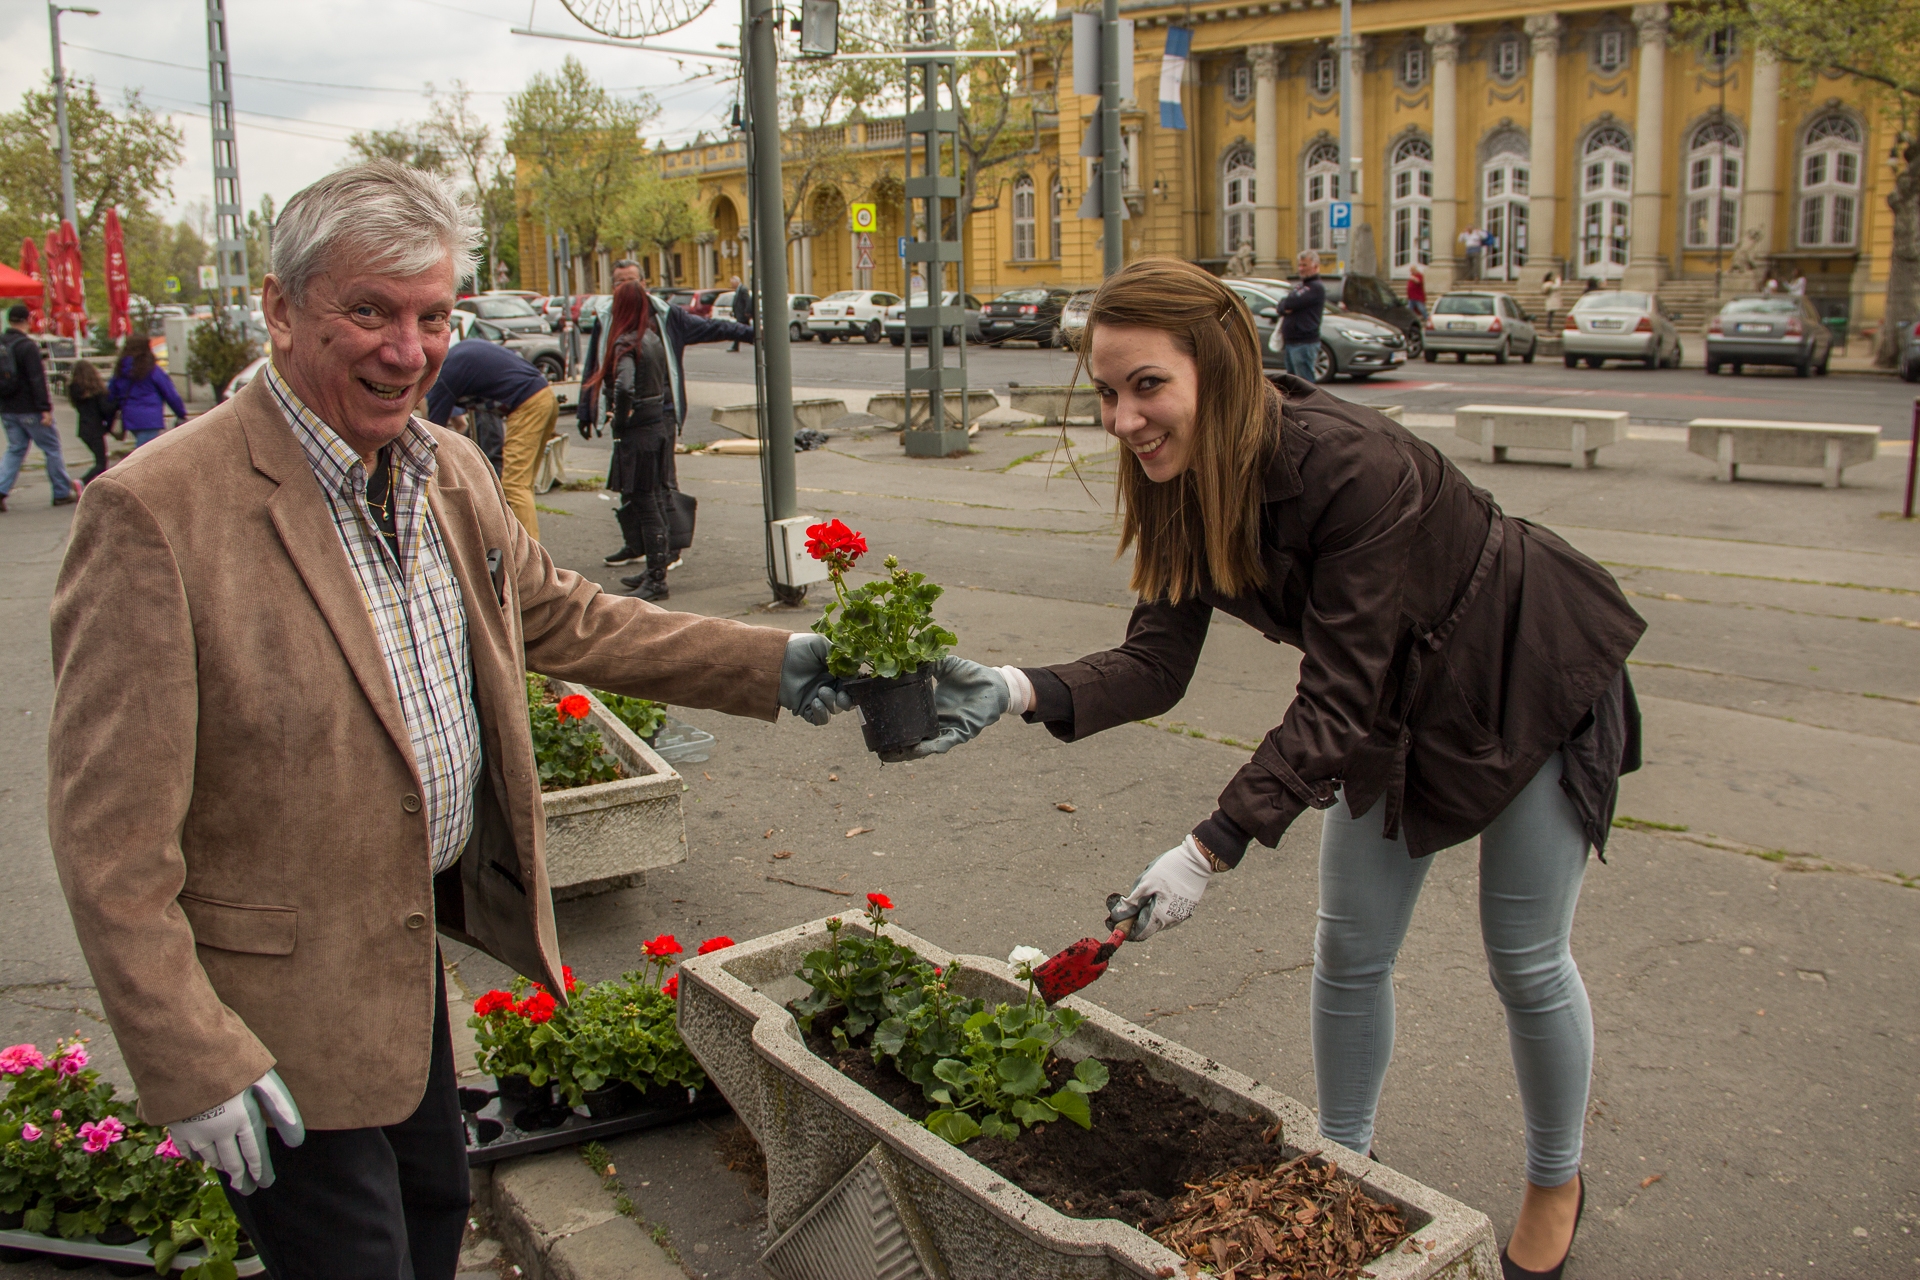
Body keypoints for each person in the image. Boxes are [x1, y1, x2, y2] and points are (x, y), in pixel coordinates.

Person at [45, 159, 848, 1280]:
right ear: (280, 310)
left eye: (431, 315)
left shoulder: (444, 466)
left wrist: (783, 662)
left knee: (429, 1220)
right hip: (270, 1015)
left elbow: (566, 619)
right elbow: (108, 844)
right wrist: (190, 1053)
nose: (407, 347)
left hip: (405, 968)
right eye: (367, 310)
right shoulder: (157, 511)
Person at [886, 258, 1645, 1280]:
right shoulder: (1175, 481)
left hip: (1526, 672)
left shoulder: (1352, 466)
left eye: (1146, 385)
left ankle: (1556, 1178)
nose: (1122, 418)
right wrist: (1013, 687)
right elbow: (1155, 664)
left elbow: (1333, 697)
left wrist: (1209, 847)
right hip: (1393, 701)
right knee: (1349, 947)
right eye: (1107, 392)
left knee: (1524, 955)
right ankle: (1345, 1164)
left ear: (1221, 367)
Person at [422, 327, 558, 541]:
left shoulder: (443, 377)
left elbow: (429, 435)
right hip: (545, 395)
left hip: (527, 404)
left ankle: (531, 561)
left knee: (515, 485)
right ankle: (522, 544)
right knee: (525, 483)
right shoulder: (457, 355)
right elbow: (459, 423)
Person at [591, 283, 679, 601]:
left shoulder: (627, 343)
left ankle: (656, 579)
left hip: (639, 434)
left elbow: (625, 385)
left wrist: (622, 415)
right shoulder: (652, 338)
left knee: (645, 503)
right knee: (652, 500)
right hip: (655, 430)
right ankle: (656, 571)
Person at [0, 303, 75, 510]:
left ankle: (1, 488)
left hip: (7, 408)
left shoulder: (2, 344)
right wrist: (45, 408)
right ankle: (61, 491)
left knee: (15, 449)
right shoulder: (27, 346)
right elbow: (37, 379)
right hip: (30, 408)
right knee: (51, 447)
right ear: (27, 320)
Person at [576, 258, 645, 444]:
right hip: (624, 413)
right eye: (620, 283)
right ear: (613, 288)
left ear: (643, 284)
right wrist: (585, 410)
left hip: (654, 415)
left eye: (632, 281)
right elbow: (594, 363)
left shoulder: (662, 315)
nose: (626, 288)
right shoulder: (606, 318)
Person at [108, 334, 187, 448]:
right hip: (151, 417)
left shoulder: (120, 369)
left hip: (130, 416)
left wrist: (109, 419)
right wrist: (180, 413)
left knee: (144, 449)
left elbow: (111, 394)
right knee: (146, 453)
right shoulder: (152, 369)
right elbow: (169, 393)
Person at [68, 356, 118, 486]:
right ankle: (82, 482)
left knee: (100, 461)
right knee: (101, 463)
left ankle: (102, 485)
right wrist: (118, 403)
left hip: (83, 429)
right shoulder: (97, 392)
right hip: (95, 429)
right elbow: (106, 409)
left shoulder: (75, 391)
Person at [1278, 251, 1326, 384]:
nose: (1300, 268)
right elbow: (1282, 305)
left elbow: (1289, 303)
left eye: (1305, 265)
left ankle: (1310, 405)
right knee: (1292, 384)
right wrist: (1285, 307)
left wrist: (1287, 306)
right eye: (1299, 265)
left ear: (1315, 266)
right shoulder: (1301, 286)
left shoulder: (1315, 287)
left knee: (1304, 384)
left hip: (1304, 342)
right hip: (1292, 342)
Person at [727, 275, 751, 352]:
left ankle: (735, 346)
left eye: (732, 283)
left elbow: (747, 301)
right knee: (748, 330)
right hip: (740, 314)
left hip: (743, 314)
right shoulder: (738, 289)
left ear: (737, 282)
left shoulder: (743, 289)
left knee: (739, 329)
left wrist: (747, 311)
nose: (731, 285)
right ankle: (761, 344)